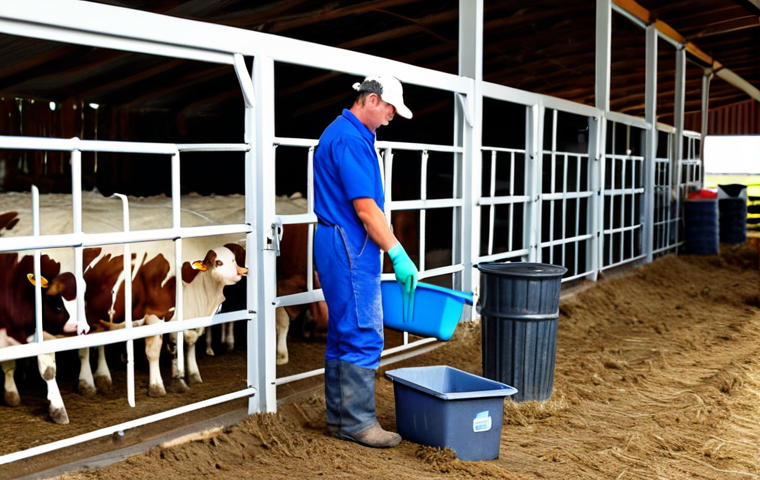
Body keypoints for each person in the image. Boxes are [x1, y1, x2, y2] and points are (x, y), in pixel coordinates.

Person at [313, 74, 418, 448]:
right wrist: (398, 252)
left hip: (336, 239)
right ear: (371, 100)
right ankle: (358, 423)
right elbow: (366, 209)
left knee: (343, 331)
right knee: (362, 330)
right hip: (349, 243)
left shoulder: (345, 133)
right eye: (390, 108)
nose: (392, 116)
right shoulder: (351, 140)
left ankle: (340, 419)